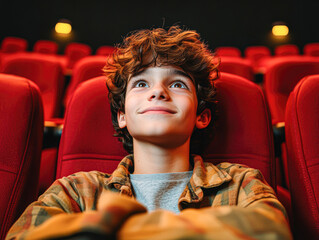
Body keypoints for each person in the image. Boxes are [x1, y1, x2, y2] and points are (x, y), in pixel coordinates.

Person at [6, 26, 292, 239]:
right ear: (122, 117)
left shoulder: (241, 182)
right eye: (141, 84)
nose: (158, 91)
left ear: (201, 116)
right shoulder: (77, 189)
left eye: (178, 84)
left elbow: (272, 230)